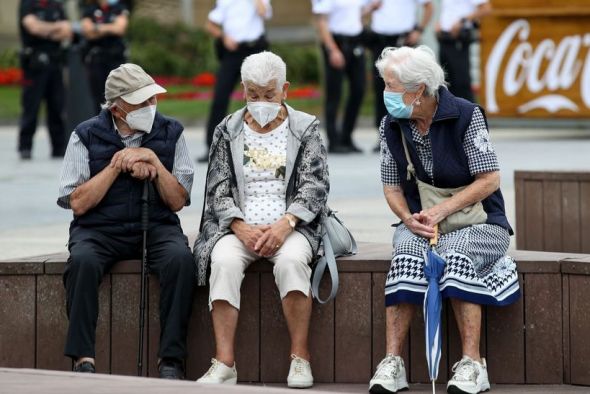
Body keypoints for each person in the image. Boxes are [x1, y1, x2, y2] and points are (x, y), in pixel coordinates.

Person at [369, 46, 520, 394]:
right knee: (406, 251)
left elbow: (490, 179)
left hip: (483, 223)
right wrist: (408, 219)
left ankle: (472, 363)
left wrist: (440, 211)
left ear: (418, 89)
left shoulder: (466, 115)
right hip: (422, 222)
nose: (385, 93)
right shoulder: (391, 124)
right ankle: (393, 362)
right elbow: (391, 186)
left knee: (453, 253)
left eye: (390, 85)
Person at [193, 51, 329, 388]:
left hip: (291, 225)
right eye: (253, 94)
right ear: (243, 89)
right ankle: (224, 363)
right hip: (239, 228)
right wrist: (239, 226)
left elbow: (315, 185)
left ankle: (300, 359)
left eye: (268, 94)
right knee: (222, 261)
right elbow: (217, 188)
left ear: (285, 89)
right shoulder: (228, 129)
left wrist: (286, 224)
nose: (260, 101)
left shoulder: (305, 128)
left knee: (293, 262)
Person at [57, 63, 196, 379]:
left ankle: (171, 360)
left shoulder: (171, 132)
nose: (151, 107)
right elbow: (76, 203)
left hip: (157, 225)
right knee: (82, 261)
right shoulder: (85, 135)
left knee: (180, 261)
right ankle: (83, 359)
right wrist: (115, 166)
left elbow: (177, 201)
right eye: (142, 102)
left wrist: (154, 163)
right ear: (118, 109)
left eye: (152, 100)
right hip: (98, 229)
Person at [197, 0, 272, 163]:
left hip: (255, 49)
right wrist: (223, 37)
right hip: (233, 51)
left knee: (260, 98)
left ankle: (263, 146)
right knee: (220, 97)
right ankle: (213, 147)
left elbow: (264, 13)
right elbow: (210, 25)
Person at [312, 0, 381, 153]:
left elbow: (356, 13)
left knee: (359, 89)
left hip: (356, 41)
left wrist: (370, 8)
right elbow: (321, 21)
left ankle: (346, 136)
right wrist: (332, 49)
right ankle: (334, 140)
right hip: (336, 42)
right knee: (334, 93)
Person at [367, 0, 433, 151]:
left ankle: (411, 133)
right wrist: (371, 8)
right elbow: (358, 11)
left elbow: (429, 6)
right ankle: (384, 134)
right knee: (382, 89)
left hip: (403, 40)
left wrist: (419, 30)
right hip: (380, 40)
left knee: (409, 87)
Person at [18, 0, 72, 160]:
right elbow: (32, 27)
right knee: (31, 108)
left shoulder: (56, 5)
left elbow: (67, 31)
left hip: (55, 64)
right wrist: (55, 28)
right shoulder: (28, 4)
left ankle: (58, 148)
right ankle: (25, 147)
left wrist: (44, 29)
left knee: (57, 107)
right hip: (34, 66)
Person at [436, 0, 491, 102]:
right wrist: (441, 23)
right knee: (446, 81)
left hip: (458, 38)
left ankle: (470, 115)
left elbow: (486, 8)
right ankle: (449, 115)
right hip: (444, 38)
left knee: (461, 82)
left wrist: (463, 21)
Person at [80, 0, 129, 114]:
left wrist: (96, 27)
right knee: (99, 98)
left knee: (119, 96)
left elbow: (119, 29)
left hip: (115, 59)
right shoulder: (90, 9)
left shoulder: (119, 8)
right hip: (96, 60)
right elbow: (87, 31)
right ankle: (101, 126)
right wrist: (110, 27)